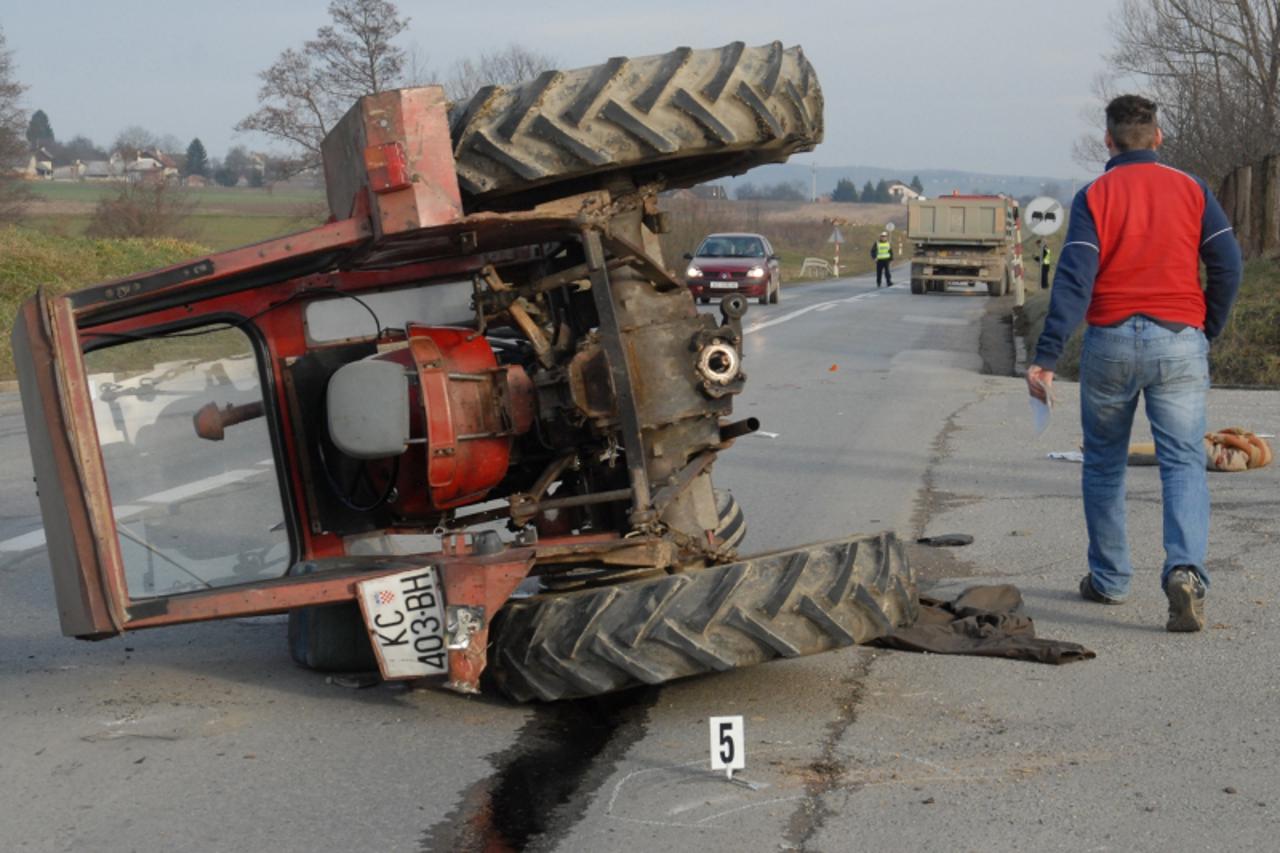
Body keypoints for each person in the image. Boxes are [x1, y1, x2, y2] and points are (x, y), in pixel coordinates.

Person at [1026, 94, 1241, 633]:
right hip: (1179, 339)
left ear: (1109, 141)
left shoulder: (1095, 194)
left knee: (1103, 463)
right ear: (1158, 137)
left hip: (1111, 343)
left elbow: (1075, 279)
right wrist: (1205, 327)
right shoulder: (1192, 189)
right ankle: (1186, 572)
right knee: (1184, 463)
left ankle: (1111, 579)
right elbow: (1228, 263)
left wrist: (1047, 355)